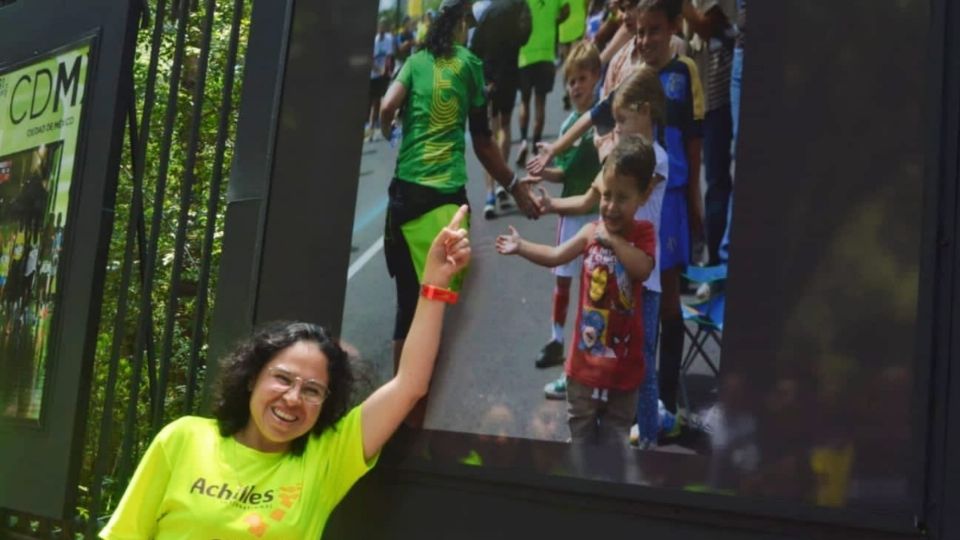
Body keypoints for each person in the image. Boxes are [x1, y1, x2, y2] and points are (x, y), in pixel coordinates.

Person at [99, 207, 472, 539]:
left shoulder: (326, 458)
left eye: (312, 390)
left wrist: (434, 285)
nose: (293, 398)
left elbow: (410, 384)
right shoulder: (183, 439)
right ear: (251, 378)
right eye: (283, 379)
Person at [379, 0, 542, 424]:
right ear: (462, 25)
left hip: (405, 199)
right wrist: (516, 187)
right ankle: (427, 410)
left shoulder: (414, 61)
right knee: (439, 310)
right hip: (445, 204)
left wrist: (388, 129)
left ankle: (399, 411)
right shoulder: (470, 65)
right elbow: (484, 143)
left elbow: (386, 106)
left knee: (405, 307)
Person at [534, 68, 669, 447]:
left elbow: (624, 179)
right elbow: (590, 199)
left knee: (639, 361)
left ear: (645, 112)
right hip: (611, 277)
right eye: (617, 121)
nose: (619, 128)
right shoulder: (622, 160)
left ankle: (648, 438)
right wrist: (547, 207)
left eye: (623, 120)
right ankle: (603, 417)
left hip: (645, 277)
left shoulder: (652, 160)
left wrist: (609, 154)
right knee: (605, 344)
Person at [497, 135, 656, 445]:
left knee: (613, 447)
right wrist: (522, 246)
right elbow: (556, 256)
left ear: (644, 195)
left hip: (623, 372)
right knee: (580, 444)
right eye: (606, 196)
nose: (610, 206)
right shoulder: (589, 232)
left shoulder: (643, 234)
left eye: (622, 198)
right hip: (582, 368)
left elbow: (644, 268)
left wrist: (615, 243)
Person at [522, 42, 603, 377]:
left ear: (597, 78)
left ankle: (590, 346)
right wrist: (543, 172)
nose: (576, 86)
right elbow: (565, 173)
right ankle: (556, 340)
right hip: (571, 214)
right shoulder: (569, 122)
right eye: (571, 81)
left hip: (597, 213)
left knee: (595, 286)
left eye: (583, 78)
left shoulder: (603, 117)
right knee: (563, 282)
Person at [681, 0, 736, 273]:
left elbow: (705, 26)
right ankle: (688, 257)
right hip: (690, 95)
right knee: (684, 178)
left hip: (716, 100)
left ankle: (713, 262)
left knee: (715, 181)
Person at [470, 0, 533, 218]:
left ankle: (489, 195)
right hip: (510, 72)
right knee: (505, 126)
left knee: (488, 132)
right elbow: (525, 36)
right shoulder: (520, 6)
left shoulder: (481, 9)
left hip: (487, 76)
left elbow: (474, 46)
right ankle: (502, 183)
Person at [515, 0, 570, 166]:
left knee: (524, 101)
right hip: (546, 55)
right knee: (540, 104)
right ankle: (535, 147)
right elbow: (566, 10)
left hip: (524, 55)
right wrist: (554, 20)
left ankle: (524, 140)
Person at [367, 19, 396, 142]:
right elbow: (370, 61)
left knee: (386, 100)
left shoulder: (389, 39)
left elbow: (389, 56)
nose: (382, 29)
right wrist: (380, 71)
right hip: (374, 75)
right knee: (375, 103)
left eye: (385, 26)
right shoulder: (374, 41)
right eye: (381, 26)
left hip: (384, 74)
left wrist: (387, 69)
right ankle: (371, 131)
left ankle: (387, 128)